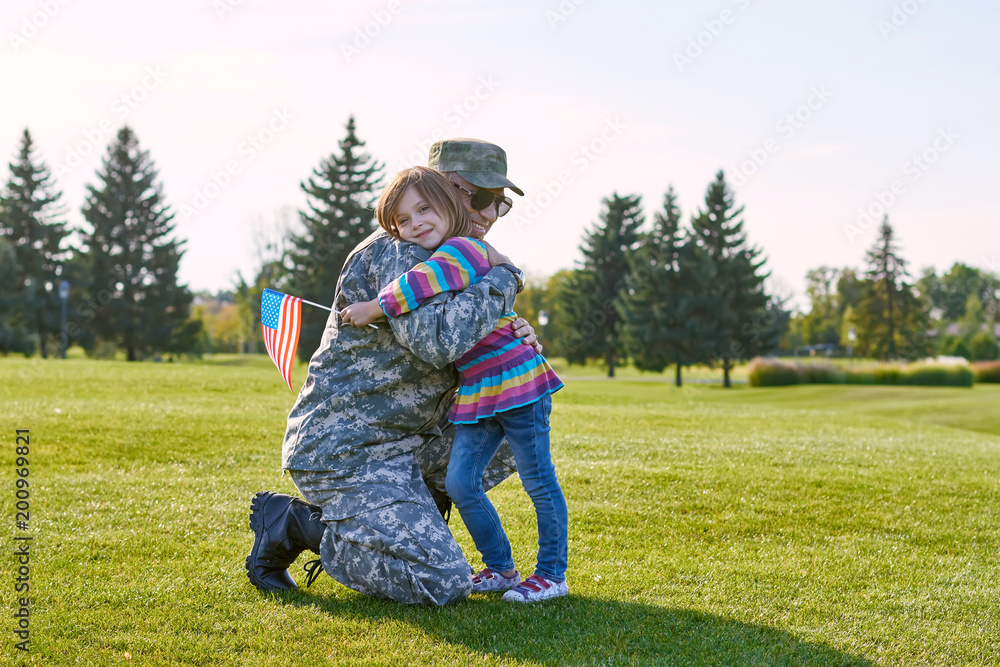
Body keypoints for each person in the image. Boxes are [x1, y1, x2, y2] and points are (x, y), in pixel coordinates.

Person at [246, 139, 538, 606]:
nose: (490, 213)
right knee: (444, 583)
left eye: (499, 203)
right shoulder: (402, 252)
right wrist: (505, 278)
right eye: (481, 197)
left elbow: (470, 338)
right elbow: (437, 342)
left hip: (408, 442)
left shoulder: (460, 259)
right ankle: (293, 523)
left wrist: (514, 336)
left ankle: (414, 521)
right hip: (349, 448)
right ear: (445, 189)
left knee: (516, 416)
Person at [340, 166, 569, 602]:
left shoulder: (463, 248)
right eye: (403, 220)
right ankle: (501, 567)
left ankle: (552, 575)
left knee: (539, 479)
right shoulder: (453, 251)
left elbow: (420, 283)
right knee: (461, 482)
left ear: (446, 205)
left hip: (518, 381)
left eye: (424, 210)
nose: (415, 224)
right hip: (481, 390)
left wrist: (374, 307)